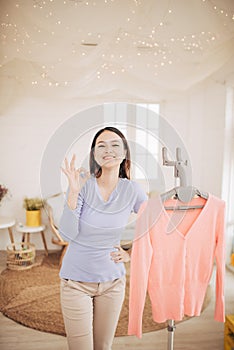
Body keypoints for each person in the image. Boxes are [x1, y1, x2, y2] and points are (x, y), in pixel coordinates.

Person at [59, 126, 147, 350]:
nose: (108, 149)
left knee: (103, 346)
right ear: (94, 155)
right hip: (76, 283)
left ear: (125, 153)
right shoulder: (83, 186)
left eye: (115, 144)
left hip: (113, 283)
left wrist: (130, 254)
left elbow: (153, 224)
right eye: (101, 145)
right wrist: (73, 193)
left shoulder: (132, 190)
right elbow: (67, 234)